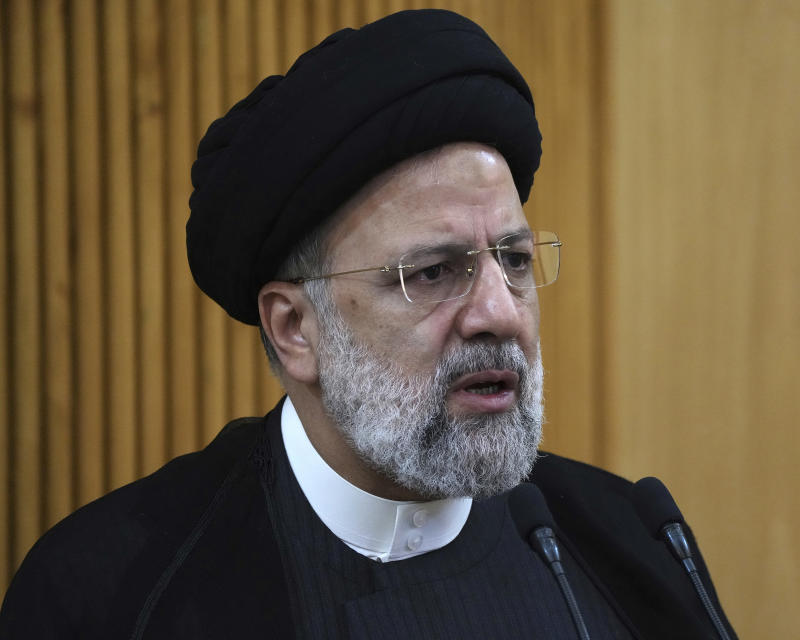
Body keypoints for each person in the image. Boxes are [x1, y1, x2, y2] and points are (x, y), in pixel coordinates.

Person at [0, 9, 736, 639]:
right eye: (433, 272)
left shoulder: (630, 545)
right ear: (295, 328)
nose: (500, 312)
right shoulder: (113, 593)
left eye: (512, 259)